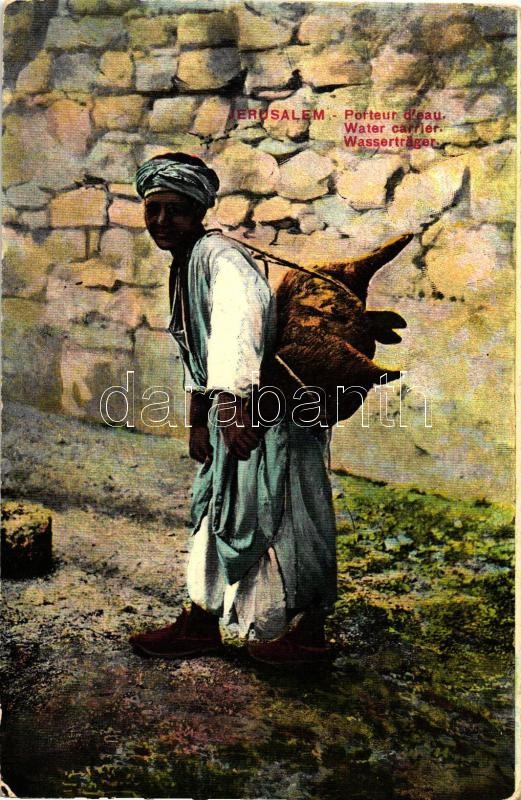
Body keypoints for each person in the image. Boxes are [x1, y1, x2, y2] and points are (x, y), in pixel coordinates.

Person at [129, 152, 338, 667]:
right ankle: (202, 620)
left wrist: (231, 407)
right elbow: (194, 349)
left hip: (268, 415)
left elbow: (237, 328)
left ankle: (297, 635)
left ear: (199, 210)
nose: (160, 222)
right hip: (234, 412)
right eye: (152, 209)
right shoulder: (186, 264)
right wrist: (198, 418)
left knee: (282, 518)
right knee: (217, 508)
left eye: (173, 210)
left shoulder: (221, 257)